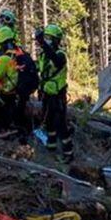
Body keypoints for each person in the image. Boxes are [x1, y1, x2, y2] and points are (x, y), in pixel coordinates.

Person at [0, 25, 39, 142]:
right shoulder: (20, 53)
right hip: (19, 93)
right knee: (15, 114)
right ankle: (17, 132)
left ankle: (0, 133)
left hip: (8, 93)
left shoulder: (5, 57)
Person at [36, 24, 72, 160]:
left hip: (58, 96)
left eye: (49, 38)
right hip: (46, 93)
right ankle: (51, 147)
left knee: (61, 124)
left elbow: (56, 62)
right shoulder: (43, 55)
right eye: (45, 37)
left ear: (56, 40)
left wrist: (43, 43)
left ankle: (68, 153)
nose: (47, 40)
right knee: (48, 122)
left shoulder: (60, 55)